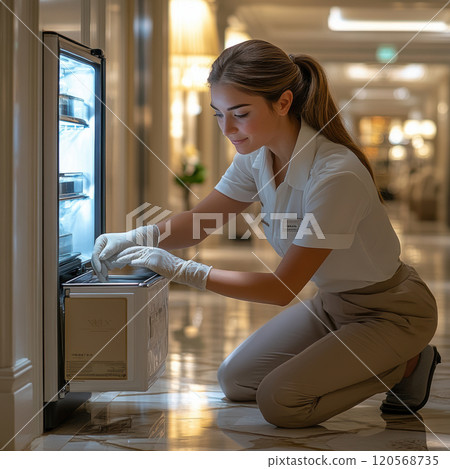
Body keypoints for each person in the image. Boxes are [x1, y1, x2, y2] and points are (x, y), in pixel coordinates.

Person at [92, 39, 440, 428]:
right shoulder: (256, 157)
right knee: (236, 381)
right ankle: (382, 360)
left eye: (240, 113)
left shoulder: (336, 174)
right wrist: (135, 237)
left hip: (391, 312)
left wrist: (184, 271)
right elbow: (198, 222)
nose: (228, 129)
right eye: (218, 115)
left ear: (284, 102)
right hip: (333, 304)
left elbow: (282, 289)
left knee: (282, 402)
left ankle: (407, 364)